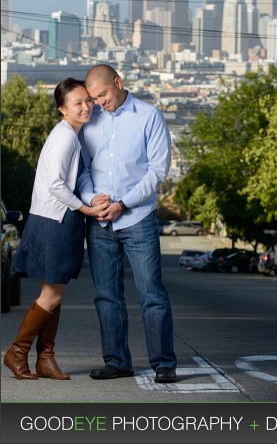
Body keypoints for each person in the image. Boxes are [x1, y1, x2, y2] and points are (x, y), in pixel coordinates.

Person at [77, 64, 177, 383]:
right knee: (107, 296)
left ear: (118, 83)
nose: (99, 102)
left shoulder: (149, 116)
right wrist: (93, 200)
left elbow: (157, 171)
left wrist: (123, 204)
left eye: (103, 94)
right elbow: (82, 170)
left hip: (138, 218)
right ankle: (117, 361)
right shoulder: (89, 121)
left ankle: (163, 363)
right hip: (100, 222)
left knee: (151, 293)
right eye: (93, 97)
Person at [3, 79, 109, 380]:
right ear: (63, 110)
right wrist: (86, 208)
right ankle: (17, 353)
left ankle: (45, 359)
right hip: (55, 221)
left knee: (54, 294)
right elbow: (56, 185)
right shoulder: (65, 137)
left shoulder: (70, 134)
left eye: (88, 100)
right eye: (78, 103)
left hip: (54, 219)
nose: (87, 106)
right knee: (50, 295)